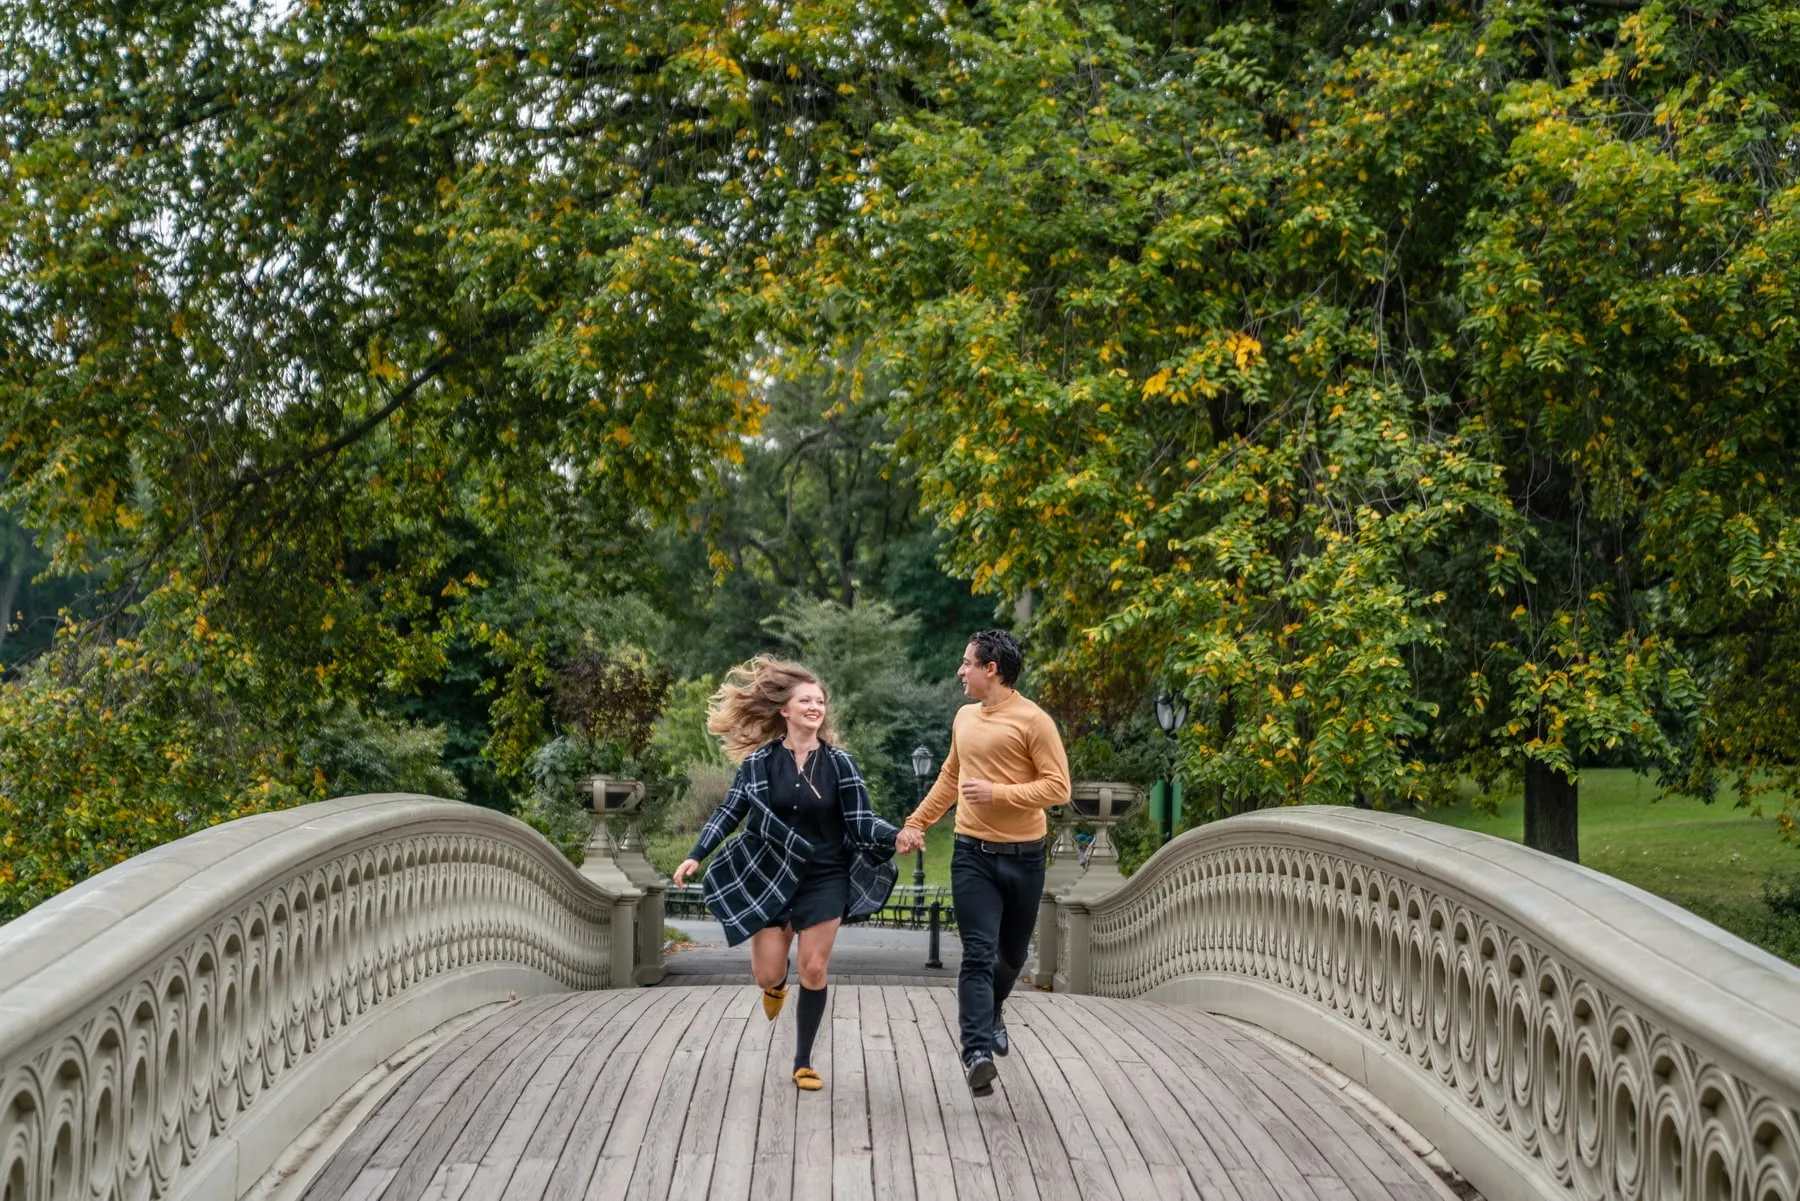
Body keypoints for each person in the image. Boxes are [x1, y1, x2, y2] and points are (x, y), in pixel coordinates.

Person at [673, 657, 901, 1091]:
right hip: (769, 875)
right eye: (805, 700)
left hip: (825, 875)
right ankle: (775, 986)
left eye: (820, 701)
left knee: (814, 969)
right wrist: (696, 854)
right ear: (785, 710)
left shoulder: (841, 765)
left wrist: (897, 837)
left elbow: (862, 821)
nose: (815, 706)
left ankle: (803, 1061)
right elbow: (729, 811)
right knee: (766, 974)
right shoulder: (758, 764)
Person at [895, 629, 1069, 1097]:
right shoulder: (964, 718)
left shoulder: (1034, 722)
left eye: (967, 663)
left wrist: (998, 793)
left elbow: (1058, 788)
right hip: (972, 852)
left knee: (1012, 957)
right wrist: (916, 823)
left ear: (991, 669)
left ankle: (993, 1010)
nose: (960, 671)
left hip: (1025, 858)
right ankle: (976, 1054)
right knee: (976, 953)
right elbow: (951, 776)